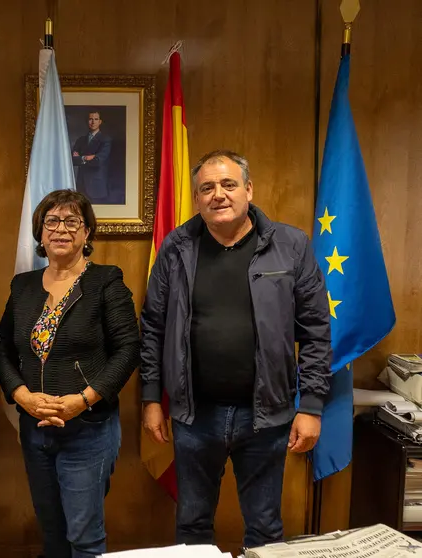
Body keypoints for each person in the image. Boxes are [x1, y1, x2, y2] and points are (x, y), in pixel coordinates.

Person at [140, 150, 332, 547]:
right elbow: (153, 327)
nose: (218, 195)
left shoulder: (291, 246)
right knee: (192, 525)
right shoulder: (175, 248)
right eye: (207, 187)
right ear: (197, 198)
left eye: (228, 184)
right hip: (195, 416)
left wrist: (311, 406)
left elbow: (315, 331)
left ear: (248, 189)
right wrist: (150, 399)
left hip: (266, 416)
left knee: (264, 528)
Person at [0, 190, 141, 558]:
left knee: (84, 536)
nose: (62, 229)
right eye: (52, 222)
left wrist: (85, 399)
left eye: (73, 221)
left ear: (88, 232)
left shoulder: (106, 282)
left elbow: (128, 350)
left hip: (87, 429)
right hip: (35, 428)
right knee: (53, 533)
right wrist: (21, 396)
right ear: (40, 233)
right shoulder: (23, 286)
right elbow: (1, 350)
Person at [71, 111, 112, 200]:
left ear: (100, 122)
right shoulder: (81, 140)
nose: (93, 122)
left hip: (96, 186)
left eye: (96, 119)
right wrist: (87, 157)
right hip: (81, 184)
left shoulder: (105, 139)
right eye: (90, 119)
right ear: (87, 121)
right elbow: (72, 160)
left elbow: (98, 160)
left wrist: (80, 158)